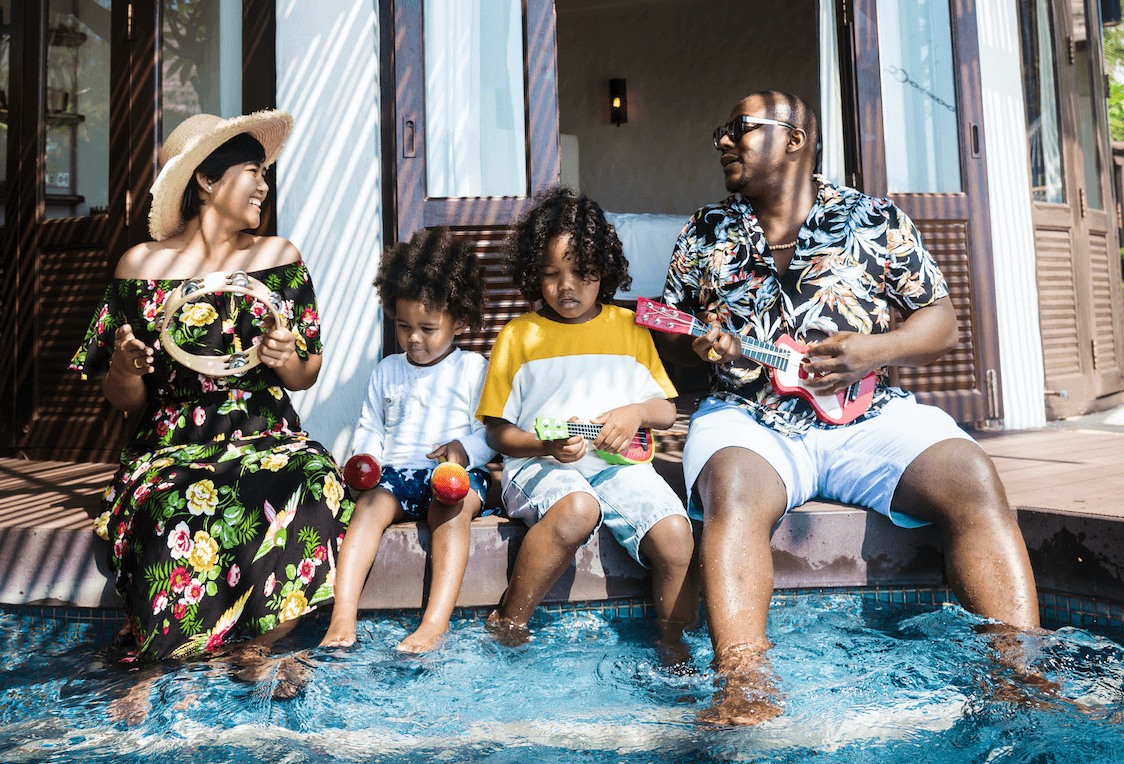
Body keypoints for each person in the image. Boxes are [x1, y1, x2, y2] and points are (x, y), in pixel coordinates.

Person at [656, 91, 1041, 724]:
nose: (722, 141)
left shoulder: (874, 218)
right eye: (722, 131)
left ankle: (1018, 673)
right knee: (734, 493)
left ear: (796, 140)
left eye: (740, 130)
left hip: (869, 413)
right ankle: (745, 686)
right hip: (750, 417)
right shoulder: (705, 232)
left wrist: (873, 349)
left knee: (972, 477)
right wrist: (693, 342)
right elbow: (669, 344)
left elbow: (940, 321)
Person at [70, 111, 353, 665]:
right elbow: (124, 397)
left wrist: (286, 355)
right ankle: (167, 662)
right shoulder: (142, 267)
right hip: (172, 438)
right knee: (169, 502)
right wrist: (127, 368)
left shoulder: (280, 258)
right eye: (254, 171)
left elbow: (306, 372)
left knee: (316, 480)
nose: (265, 185)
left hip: (266, 431)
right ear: (205, 179)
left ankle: (258, 645)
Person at [478, 187, 698, 654]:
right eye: (551, 274)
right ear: (532, 274)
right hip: (541, 468)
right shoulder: (518, 337)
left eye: (584, 273)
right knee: (578, 508)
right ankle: (510, 619)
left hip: (618, 468)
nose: (567, 286)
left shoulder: (629, 329)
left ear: (605, 272)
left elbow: (665, 411)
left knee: (676, 536)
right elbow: (497, 431)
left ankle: (674, 642)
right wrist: (543, 448)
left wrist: (635, 410)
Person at [320, 227, 495, 653]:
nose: (414, 338)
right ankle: (343, 615)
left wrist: (464, 449)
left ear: (461, 319)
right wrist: (366, 459)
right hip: (397, 475)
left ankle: (434, 623)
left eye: (428, 327)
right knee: (367, 507)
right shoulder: (387, 370)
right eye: (403, 326)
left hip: (454, 477)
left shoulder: (473, 369)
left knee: (451, 512)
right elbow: (371, 427)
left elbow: (493, 433)